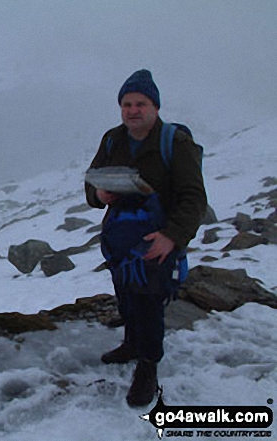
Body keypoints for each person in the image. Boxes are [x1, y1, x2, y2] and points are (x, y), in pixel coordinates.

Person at [85, 69, 207, 407]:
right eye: (126, 104)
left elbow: (194, 197)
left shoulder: (173, 142)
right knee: (126, 296)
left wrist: (171, 237)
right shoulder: (113, 139)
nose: (132, 110)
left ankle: (148, 366)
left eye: (140, 103)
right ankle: (131, 344)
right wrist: (100, 195)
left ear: (155, 106)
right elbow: (91, 184)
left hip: (157, 238)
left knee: (149, 301)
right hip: (121, 237)